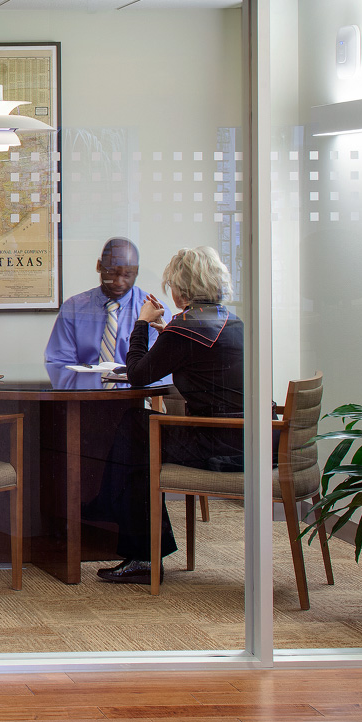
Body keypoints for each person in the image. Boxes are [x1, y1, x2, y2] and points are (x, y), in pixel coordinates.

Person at [94, 246, 244, 584]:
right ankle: (115, 517)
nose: (170, 291)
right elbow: (202, 358)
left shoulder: (187, 328)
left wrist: (142, 323)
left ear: (183, 288)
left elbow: (137, 374)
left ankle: (141, 554)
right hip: (248, 440)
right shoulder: (230, 321)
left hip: (218, 445)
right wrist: (167, 333)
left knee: (135, 430)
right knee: (139, 435)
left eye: (171, 285)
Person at [44, 237, 156, 367]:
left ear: (136, 272)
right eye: (112, 272)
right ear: (99, 266)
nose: (119, 282)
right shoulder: (73, 308)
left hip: (136, 386)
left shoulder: (152, 311)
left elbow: (155, 369)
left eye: (127, 274)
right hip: (84, 386)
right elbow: (59, 364)